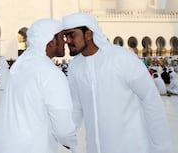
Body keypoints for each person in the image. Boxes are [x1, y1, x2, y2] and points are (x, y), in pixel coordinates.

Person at [62, 12, 173, 153]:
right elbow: (77, 106)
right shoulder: (75, 67)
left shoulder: (122, 58)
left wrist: (162, 147)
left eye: (72, 35)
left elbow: (151, 100)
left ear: (88, 34)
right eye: (65, 36)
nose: (67, 41)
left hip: (131, 147)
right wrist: (66, 133)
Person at [0, 19, 77, 153]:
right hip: (32, 147)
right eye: (62, 37)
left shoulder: (19, 67)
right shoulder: (51, 73)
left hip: (4, 145)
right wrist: (73, 143)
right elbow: (63, 127)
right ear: (51, 40)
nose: (65, 41)